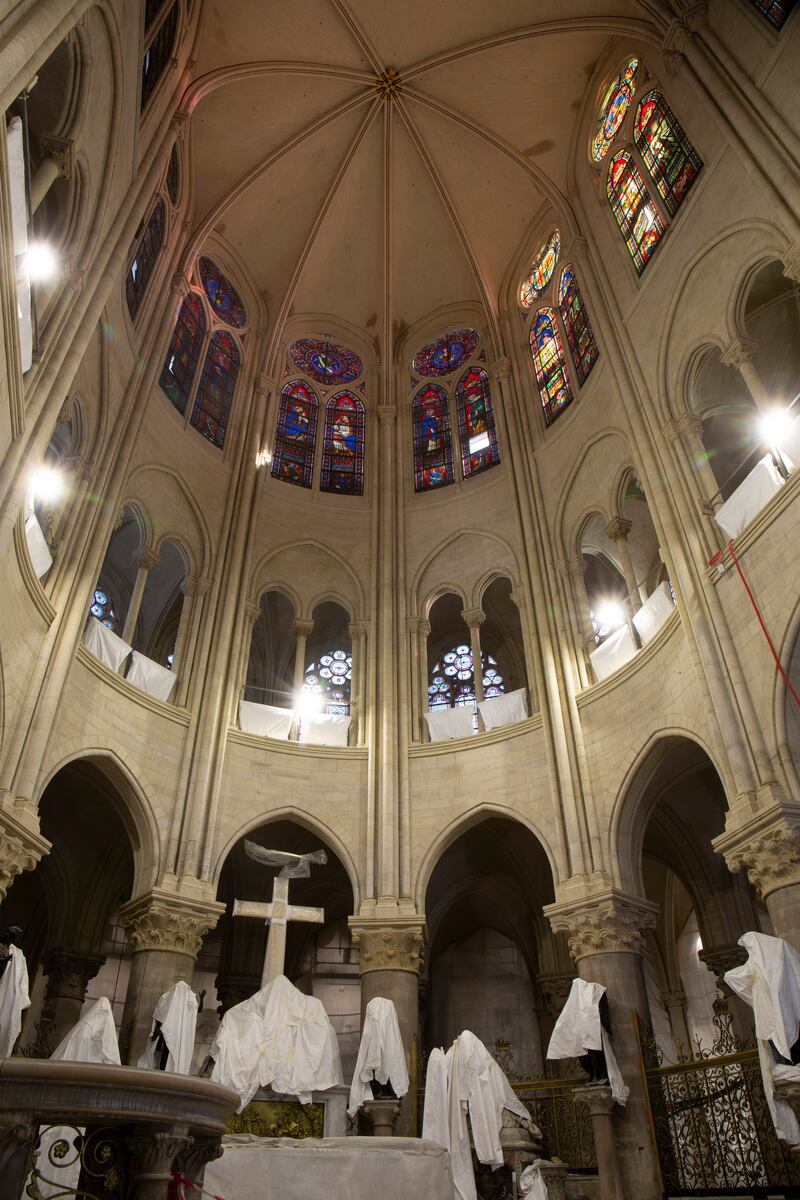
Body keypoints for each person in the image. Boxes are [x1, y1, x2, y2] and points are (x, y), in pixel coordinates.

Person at [547, 978, 628, 1105]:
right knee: (585, 1054)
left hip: (595, 1032)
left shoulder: (596, 994)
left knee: (597, 1052)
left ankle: (600, 1074)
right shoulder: (578, 1003)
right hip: (585, 1032)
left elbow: (600, 1014)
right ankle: (593, 1074)